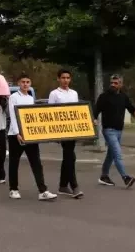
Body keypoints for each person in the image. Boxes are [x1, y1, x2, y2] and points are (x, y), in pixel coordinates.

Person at [7, 74, 57, 201]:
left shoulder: (30, 98)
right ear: (19, 83)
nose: (25, 84)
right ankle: (13, 189)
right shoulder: (13, 97)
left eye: (28, 82)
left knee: (36, 163)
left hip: (30, 135)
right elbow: (13, 115)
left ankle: (42, 190)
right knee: (14, 162)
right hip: (15, 135)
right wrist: (18, 132)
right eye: (23, 81)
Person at [95, 74, 135, 189]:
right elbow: (96, 109)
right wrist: (94, 119)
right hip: (108, 130)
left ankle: (104, 176)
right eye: (111, 83)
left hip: (119, 131)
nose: (113, 85)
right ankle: (125, 178)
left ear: (121, 84)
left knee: (111, 154)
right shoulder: (104, 96)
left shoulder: (123, 97)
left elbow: (132, 110)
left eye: (116, 83)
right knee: (117, 154)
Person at [48, 69, 84, 198]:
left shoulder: (74, 93)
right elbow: (49, 113)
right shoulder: (54, 94)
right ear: (58, 79)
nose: (65, 80)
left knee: (69, 156)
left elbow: (77, 111)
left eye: (68, 78)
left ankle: (63, 185)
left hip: (73, 129)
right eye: (63, 78)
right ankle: (74, 186)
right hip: (61, 130)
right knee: (70, 156)